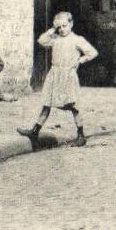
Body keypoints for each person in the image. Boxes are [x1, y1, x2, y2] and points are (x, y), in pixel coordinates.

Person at [18, 11, 98, 148]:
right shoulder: (55, 38)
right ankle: (35, 131)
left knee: (74, 105)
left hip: (68, 75)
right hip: (55, 74)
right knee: (47, 103)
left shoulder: (77, 39)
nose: (62, 29)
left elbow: (93, 52)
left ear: (71, 24)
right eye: (59, 27)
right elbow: (41, 41)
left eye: (64, 26)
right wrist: (51, 31)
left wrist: (80, 60)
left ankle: (81, 135)